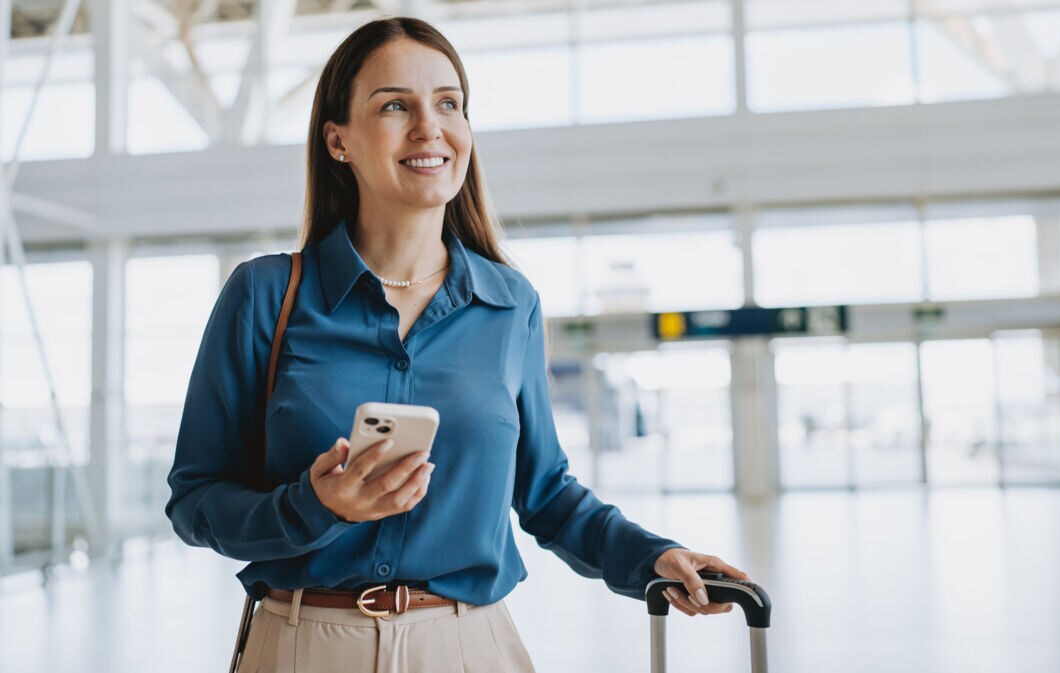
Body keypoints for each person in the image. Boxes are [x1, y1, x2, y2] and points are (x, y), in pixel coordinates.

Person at [166, 16, 749, 673]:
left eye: (449, 103)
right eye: (394, 105)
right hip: (304, 646)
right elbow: (195, 499)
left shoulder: (510, 305)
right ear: (338, 141)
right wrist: (313, 505)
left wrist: (652, 556)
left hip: (469, 648)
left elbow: (548, 494)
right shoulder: (263, 296)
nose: (429, 127)